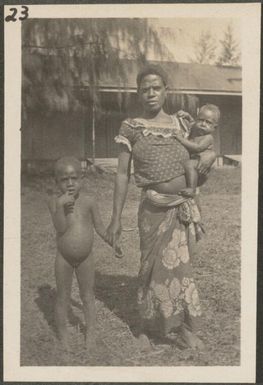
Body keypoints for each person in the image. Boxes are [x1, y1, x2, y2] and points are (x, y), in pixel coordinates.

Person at [106, 64, 216, 351]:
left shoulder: (181, 123)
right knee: (149, 268)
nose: (151, 94)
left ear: (166, 91)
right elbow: (121, 175)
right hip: (153, 210)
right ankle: (145, 328)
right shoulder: (130, 127)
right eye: (145, 89)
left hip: (182, 208)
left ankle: (185, 329)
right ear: (138, 94)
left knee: (182, 270)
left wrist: (210, 155)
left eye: (156, 88)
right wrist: (115, 219)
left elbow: (204, 144)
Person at [47, 156, 116, 351]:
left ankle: (91, 333)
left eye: (74, 178)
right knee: (62, 296)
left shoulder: (88, 201)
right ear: (56, 181)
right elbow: (60, 229)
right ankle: (63, 337)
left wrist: (112, 241)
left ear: (82, 179)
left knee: (87, 295)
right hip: (64, 258)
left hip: (86, 258)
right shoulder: (54, 202)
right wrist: (61, 206)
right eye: (64, 179)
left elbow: (100, 227)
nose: (70, 183)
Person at [174, 104, 220, 198]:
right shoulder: (196, 130)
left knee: (189, 164)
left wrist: (181, 139)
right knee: (188, 164)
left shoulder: (208, 137)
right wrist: (187, 116)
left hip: (200, 167)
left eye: (208, 122)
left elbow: (197, 148)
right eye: (201, 120)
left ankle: (192, 189)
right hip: (193, 166)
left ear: (214, 127)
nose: (203, 124)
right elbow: (192, 123)